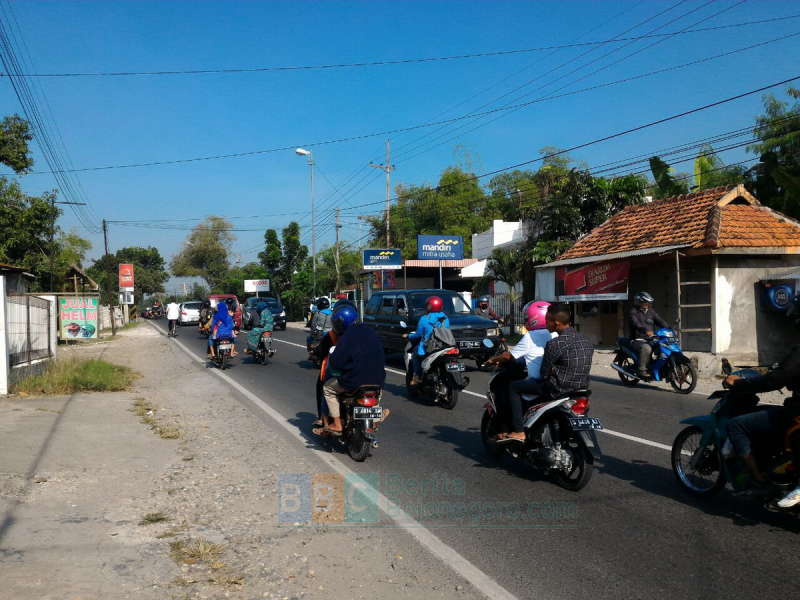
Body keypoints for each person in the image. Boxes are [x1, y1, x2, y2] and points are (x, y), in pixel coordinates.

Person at [500, 304, 593, 442]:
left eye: (547, 321)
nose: (545, 324)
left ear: (556, 323)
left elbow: (543, 373)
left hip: (558, 389)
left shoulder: (554, 343)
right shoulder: (586, 340)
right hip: (581, 389)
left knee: (514, 387)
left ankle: (519, 431)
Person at [724, 343, 800, 507]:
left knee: (736, 425)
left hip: (796, 416)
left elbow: (776, 379)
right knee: (765, 412)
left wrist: (739, 383)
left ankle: (758, 478)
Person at [485, 301, 555, 436]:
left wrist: (493, 360)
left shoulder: (531, 336)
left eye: (527, 318)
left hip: (539, 380)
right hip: (557, 380)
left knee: (511, 386)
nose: (526, 321)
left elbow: (508, 356)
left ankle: (518, 430)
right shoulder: (556, 334)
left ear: (534, 318)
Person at [319, 305, 387, 435]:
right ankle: (375, 416)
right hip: (378, 379)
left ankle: (337, 424)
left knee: (328, 389)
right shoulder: (371, 332)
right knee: (375, 392)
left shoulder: (346, 337)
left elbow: (336, 362)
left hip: (354, 380)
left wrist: (334, 359)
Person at [405, 295, 450, 387]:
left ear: (430, 306)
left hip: (429, 347)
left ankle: (417, 376)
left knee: (415, 354)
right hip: (444, 345)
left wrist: (409, 335)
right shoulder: (445, 318)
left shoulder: (424, 319)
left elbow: (418, 334)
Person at [628, 291, 668, 378]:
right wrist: (645, 330)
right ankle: (641, 370)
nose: (647, 304)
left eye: (648, 302)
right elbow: (636, 324)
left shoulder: (651, 312)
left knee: (664, 346)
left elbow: (660, 321)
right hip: (637, 339)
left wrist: (669, 328)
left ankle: (659, 367)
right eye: (645, 302)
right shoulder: (633, 312)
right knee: (647, 348)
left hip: (650, 338)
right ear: (640, 302)